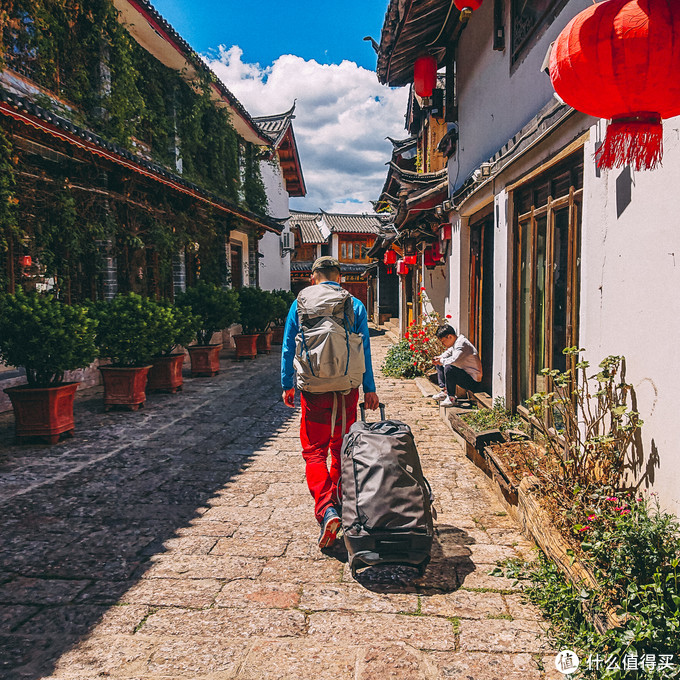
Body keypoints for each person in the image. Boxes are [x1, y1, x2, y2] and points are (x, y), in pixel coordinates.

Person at [281, 256, 380, 549]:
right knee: (341, 448)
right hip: (347, 389)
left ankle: (326, 509)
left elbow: (289, 346)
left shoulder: (299, 303)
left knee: (314, 452)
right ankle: (337, 501)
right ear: (340, 277)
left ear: (313, 278)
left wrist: (288, 385)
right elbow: (364, 350)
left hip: (314, 389)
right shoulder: (354, 304)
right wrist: (369, 388)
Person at [432, 324, 482, 407]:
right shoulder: (456, 342)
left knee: (449, 367)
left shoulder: (461, 344)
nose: (443, 344)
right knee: (440, 363)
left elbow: (454, 360)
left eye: (443, 341)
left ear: (450, 337)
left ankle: (451, 398)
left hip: (473, 381)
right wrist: (439, 358)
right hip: (465, 375)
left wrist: (441, 361)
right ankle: (445, 391)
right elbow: (448, 352)